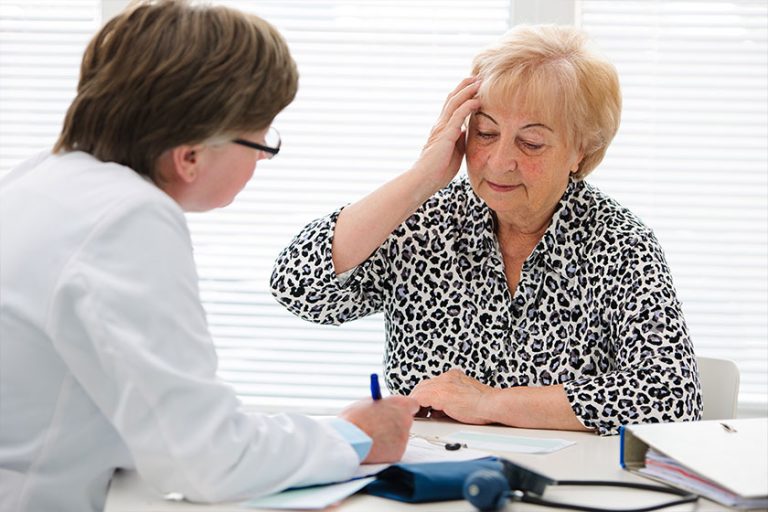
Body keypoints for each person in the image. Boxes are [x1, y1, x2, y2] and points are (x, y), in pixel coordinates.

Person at [0, 2, 418, 511]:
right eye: (260, 137)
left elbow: (156, 419)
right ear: (191, 155)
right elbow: (205, 459)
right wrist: (353, 437)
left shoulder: (38, 180)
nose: (263, 155)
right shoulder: (129, 219)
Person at [270, 24, 702, 436]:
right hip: (434, 474)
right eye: (486, 133)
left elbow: (671, 398)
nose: (499, 162)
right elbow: (300, 289)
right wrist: (421, 177)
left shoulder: (620, 243)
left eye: (531, 143)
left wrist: (489, 403)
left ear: (582, 150)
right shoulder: (427, 222)